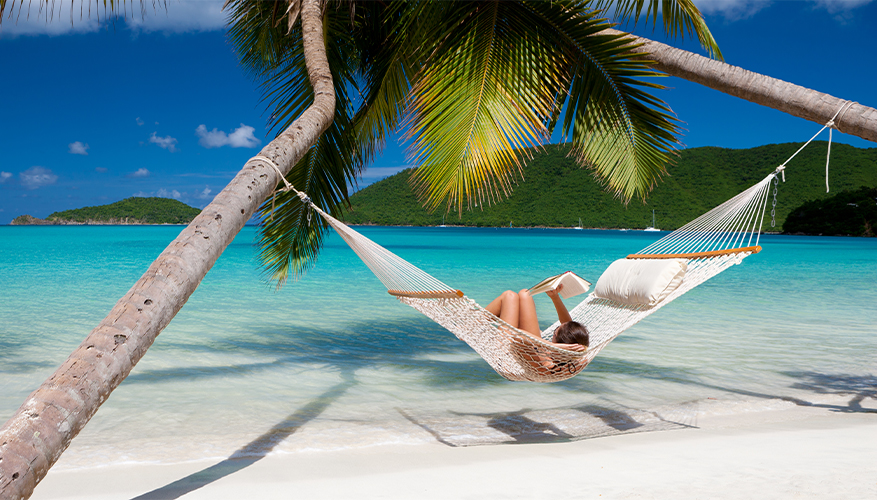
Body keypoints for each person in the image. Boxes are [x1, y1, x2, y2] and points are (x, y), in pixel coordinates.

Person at [485, 283, 589, 353]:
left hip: (504, 347)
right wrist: (555, 297)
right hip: (530, 344)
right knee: (525, 293)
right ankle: (476, 322)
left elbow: (516, 335)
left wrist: (551, 346)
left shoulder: (546, 363)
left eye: (555, 331)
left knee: (509, 296)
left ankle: (475, 323)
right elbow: (568, 327)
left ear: (558, 344)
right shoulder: (575, 355)